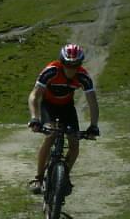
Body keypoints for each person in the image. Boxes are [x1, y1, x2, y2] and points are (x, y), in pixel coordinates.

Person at [27, 43, 100, 195]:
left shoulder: (83, 76)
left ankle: (64, 177)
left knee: (74, 143)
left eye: (75, 65)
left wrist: (94, 126)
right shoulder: (51, 71)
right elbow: (34, 95)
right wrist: (35, 118)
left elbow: (92, 101)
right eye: (67, 64)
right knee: (50, 135)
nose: (71, 69)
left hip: (67, 107)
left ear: (80, 65)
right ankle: (39, 178)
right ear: (62, 62)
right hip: (49, 106)